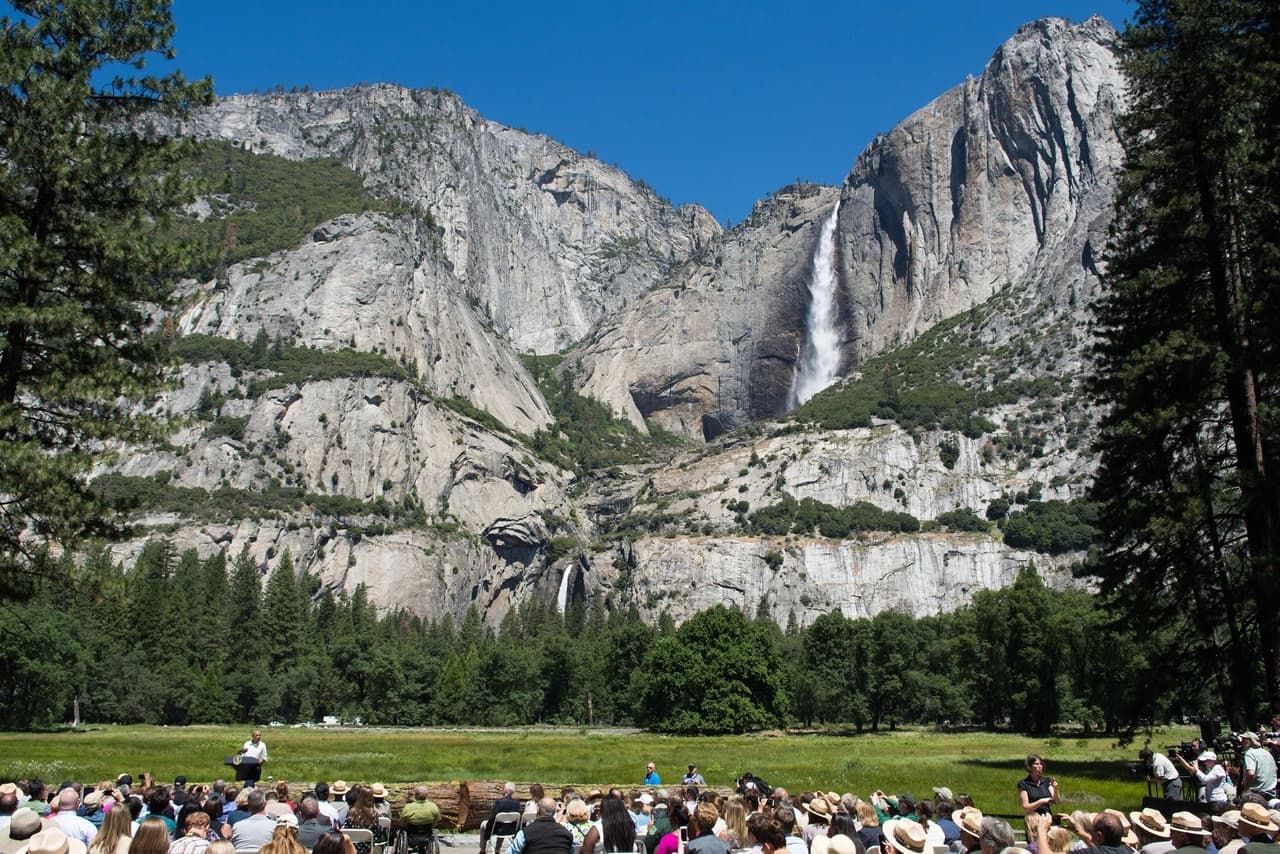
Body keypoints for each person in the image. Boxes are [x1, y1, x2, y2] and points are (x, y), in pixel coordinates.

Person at [342, 787, 387, 854]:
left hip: (351, 848)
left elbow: (346, 829)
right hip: (368, 849)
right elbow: (376, 835)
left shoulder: (351, 812)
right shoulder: (373, 815)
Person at [479, 783, 520, 854]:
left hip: (497, 828)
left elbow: (493, 817)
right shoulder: (517, 803)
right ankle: (497, 850)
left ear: (505, 790)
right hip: (510, 830)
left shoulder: (499, 802)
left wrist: (488, 827)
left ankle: (483, 850)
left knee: (483, 824)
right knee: (504, 823)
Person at [1018, 756, 1059, 822]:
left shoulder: (1046, 781)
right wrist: (1041, 801)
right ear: (1029, 766)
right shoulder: (1023, 784)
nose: (1040, 766)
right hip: (1033, 820)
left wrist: (1055, 789)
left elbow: (1056, 801)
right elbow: (1026, 808)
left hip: (1047, 818)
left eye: (1041, 764)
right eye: (1036, 764)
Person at [1241, 734, 1279, 801]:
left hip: (1256, 793)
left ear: (1249, 742)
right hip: (1271, 792)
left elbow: (1251, 773)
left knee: (1236, 801)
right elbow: (1275, 769)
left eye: (1243, 740)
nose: (1241, 743)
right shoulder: (1267, 753)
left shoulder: (1250, 753)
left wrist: (1246, 789)